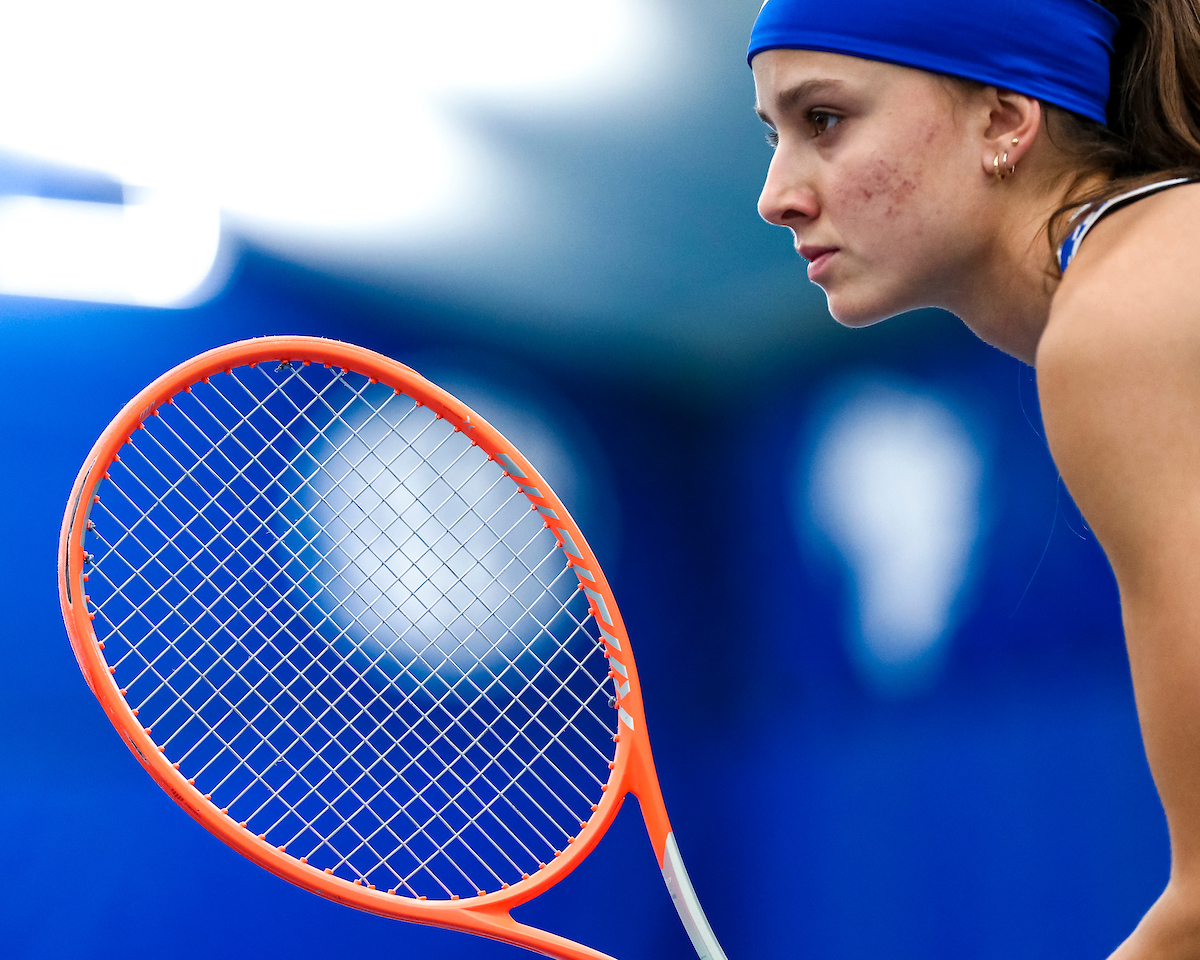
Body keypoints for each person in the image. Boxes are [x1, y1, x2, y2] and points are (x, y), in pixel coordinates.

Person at [748, 0, 1200, 957]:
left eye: (823, 119)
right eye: (775, 133)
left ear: (1004, 118)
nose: (777, 194)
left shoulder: (1127, 317)